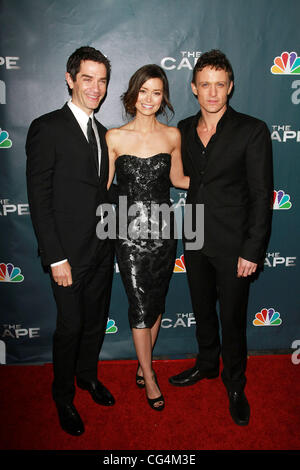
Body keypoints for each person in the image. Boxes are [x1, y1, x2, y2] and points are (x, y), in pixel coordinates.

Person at [169, 50, 273, 426]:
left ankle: (235, 383)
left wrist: (252, 249)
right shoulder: (180, 129)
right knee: (202, 312)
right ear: (194, 88)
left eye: (220, 84)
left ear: (230, 87)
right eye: (205, 85)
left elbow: (262, 195)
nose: (212, 93)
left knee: (232, 318)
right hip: (194, 237)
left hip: (234, 245)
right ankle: (207, 365)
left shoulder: (252, 129)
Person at [26, 46, 115, 436]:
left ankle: (87, 377)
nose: (96, 88)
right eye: (87, 78)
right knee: (70, 327)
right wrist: (55, 256)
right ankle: (63, 395)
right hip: (67, 256)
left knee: (94, 324)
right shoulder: (47, 127)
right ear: (70, 79)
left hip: (101, 250)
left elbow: (105, 194)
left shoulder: (104, 132)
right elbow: (39, 198)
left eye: (102, 80)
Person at [106, 64, 189, 411]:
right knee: (139, 304)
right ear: (133, 93)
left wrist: (223, 178)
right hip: (128, 233)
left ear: (163, 96)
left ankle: (143, 365)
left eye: (156, 92)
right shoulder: (114, 137)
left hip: (164, 231)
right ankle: (150, 375)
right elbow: (102, 189)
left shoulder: (172, 136)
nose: (149, 99)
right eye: (144, 91)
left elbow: (181, 179)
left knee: (155, 302)